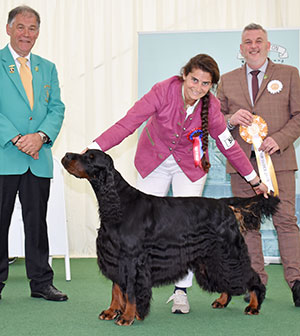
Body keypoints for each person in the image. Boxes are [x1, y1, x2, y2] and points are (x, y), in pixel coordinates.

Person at [85, 53, 267, 313]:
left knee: (188, 234)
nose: (198, 88)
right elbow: (128, 123)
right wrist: (94, 148)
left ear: (211, 86)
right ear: (184, 75)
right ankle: (127, 293)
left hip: (190, 168)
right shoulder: (162, 91)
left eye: (206, 84)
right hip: (154, 161)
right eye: (194, 80)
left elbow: (229, 146)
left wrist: (254, 179)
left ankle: (181, 293)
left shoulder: (212, 107)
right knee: (133, 234)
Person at [217, 23, 300, 307]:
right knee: (248, 227)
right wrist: (229, 120)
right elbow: (215, 121)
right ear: (241, 49)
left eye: (258, 41)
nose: (253, 46)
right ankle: (255, 284)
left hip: (279, 163)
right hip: (242, 167)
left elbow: (299, 115)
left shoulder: (290, 74)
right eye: (248, 42)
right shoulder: (226, 80)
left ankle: (297, 282)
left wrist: (279, 138)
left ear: (267, 45)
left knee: (286, 222)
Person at [0, 6, 67, 301]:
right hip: (5, 156)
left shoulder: (47, 67)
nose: (26, 34)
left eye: (32, 28)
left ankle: (41, 283)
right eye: (21, 27)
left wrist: (39, 137)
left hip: (37, 159)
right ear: (8, 29)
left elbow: (56, 109)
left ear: (38, 32)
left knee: (37, 223)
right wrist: (16, 138)